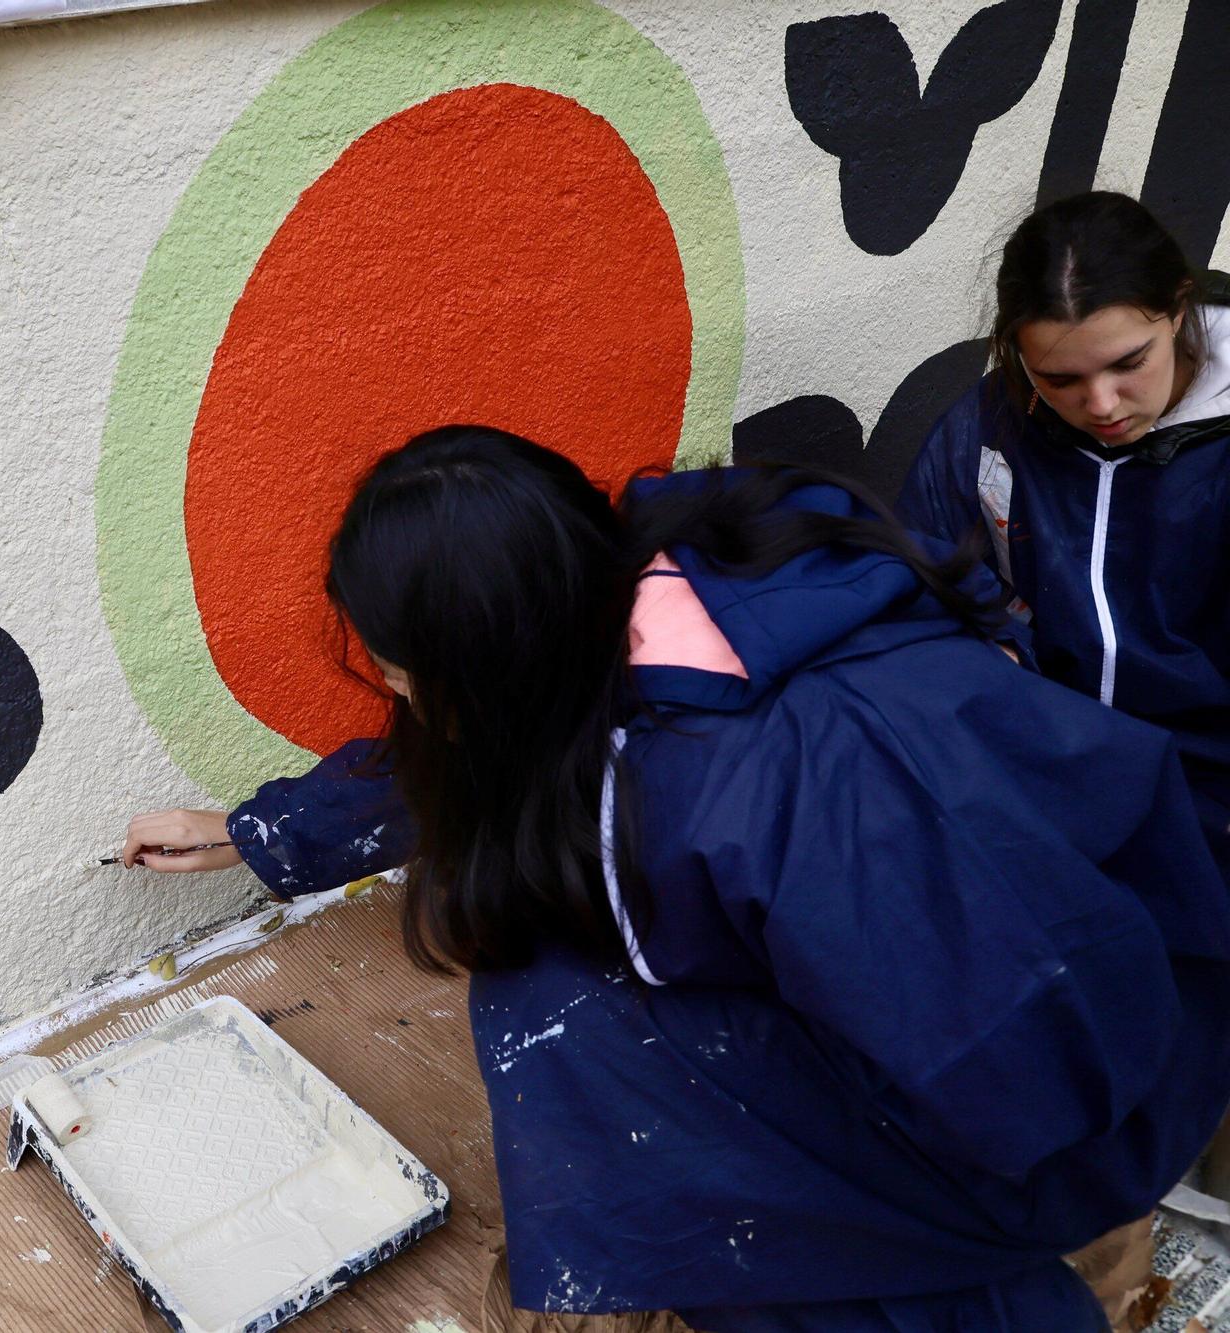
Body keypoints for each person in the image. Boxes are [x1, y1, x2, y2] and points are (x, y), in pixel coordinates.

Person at [122, 426, 1230, 1331]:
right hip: (1044, 961)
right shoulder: (657, 566)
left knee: (578, 1023)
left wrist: (872, 1237)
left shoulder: (782, 792)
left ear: (492, 658)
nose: (400, 697)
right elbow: (501, 754)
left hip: (1075, 1074)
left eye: (408, 677)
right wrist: (267, 833)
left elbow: (1021, 1067)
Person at [896, 191, 1230, 863]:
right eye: (1060, 377)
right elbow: (924, 582)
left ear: (1179, 308)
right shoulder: (987, 429)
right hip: (1041, 780)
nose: (1101, 404)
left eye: (1129, 362)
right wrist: (992, 652)